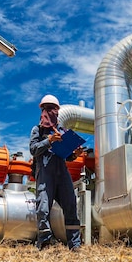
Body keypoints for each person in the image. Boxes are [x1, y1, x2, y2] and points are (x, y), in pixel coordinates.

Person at [29, 94, 83, 251]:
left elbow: (67, 155)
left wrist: (76, 154)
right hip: (45, 173)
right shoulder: (37, 130)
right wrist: (50, 140)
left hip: (62, 173)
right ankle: (45, 243)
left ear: (58, 111)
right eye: (47, 109)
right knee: (43, 208)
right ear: (42, 110)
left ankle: (75, 245)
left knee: (71, 206)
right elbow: (33, 149)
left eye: (53, 109)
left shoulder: (62, 130)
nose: (51, 112)